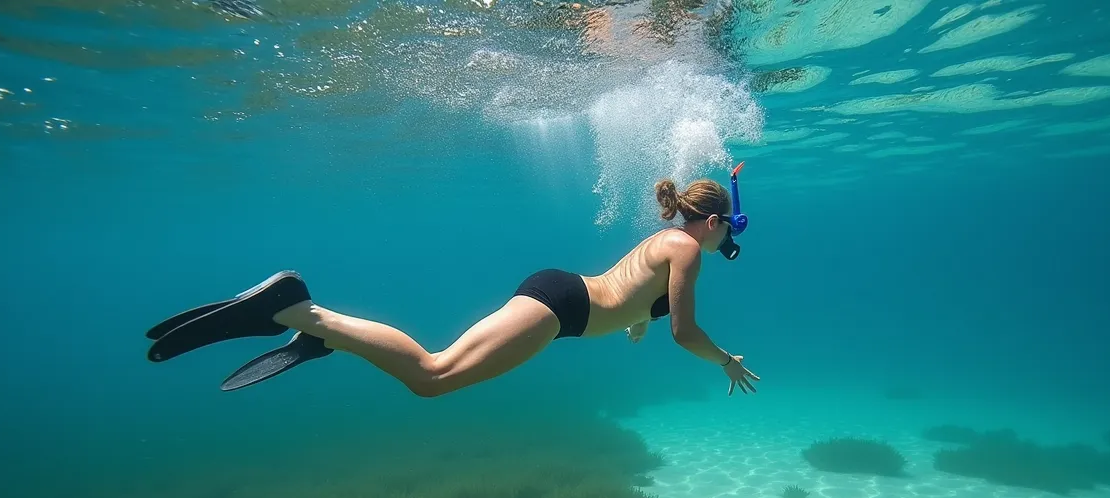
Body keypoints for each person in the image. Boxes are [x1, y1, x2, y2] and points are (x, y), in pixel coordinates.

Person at [146, 163, 760, 397]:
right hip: (562, 311)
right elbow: (684, 331)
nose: (726, 238)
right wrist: (725, 359)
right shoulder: (689, 248)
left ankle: (325, 335)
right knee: (433, 378)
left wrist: (634, 326)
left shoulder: (665, 239)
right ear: (710, 220)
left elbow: (633, 293)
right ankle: (304, 314)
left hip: (560, 292)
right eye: (726, 228)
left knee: (434, 375)